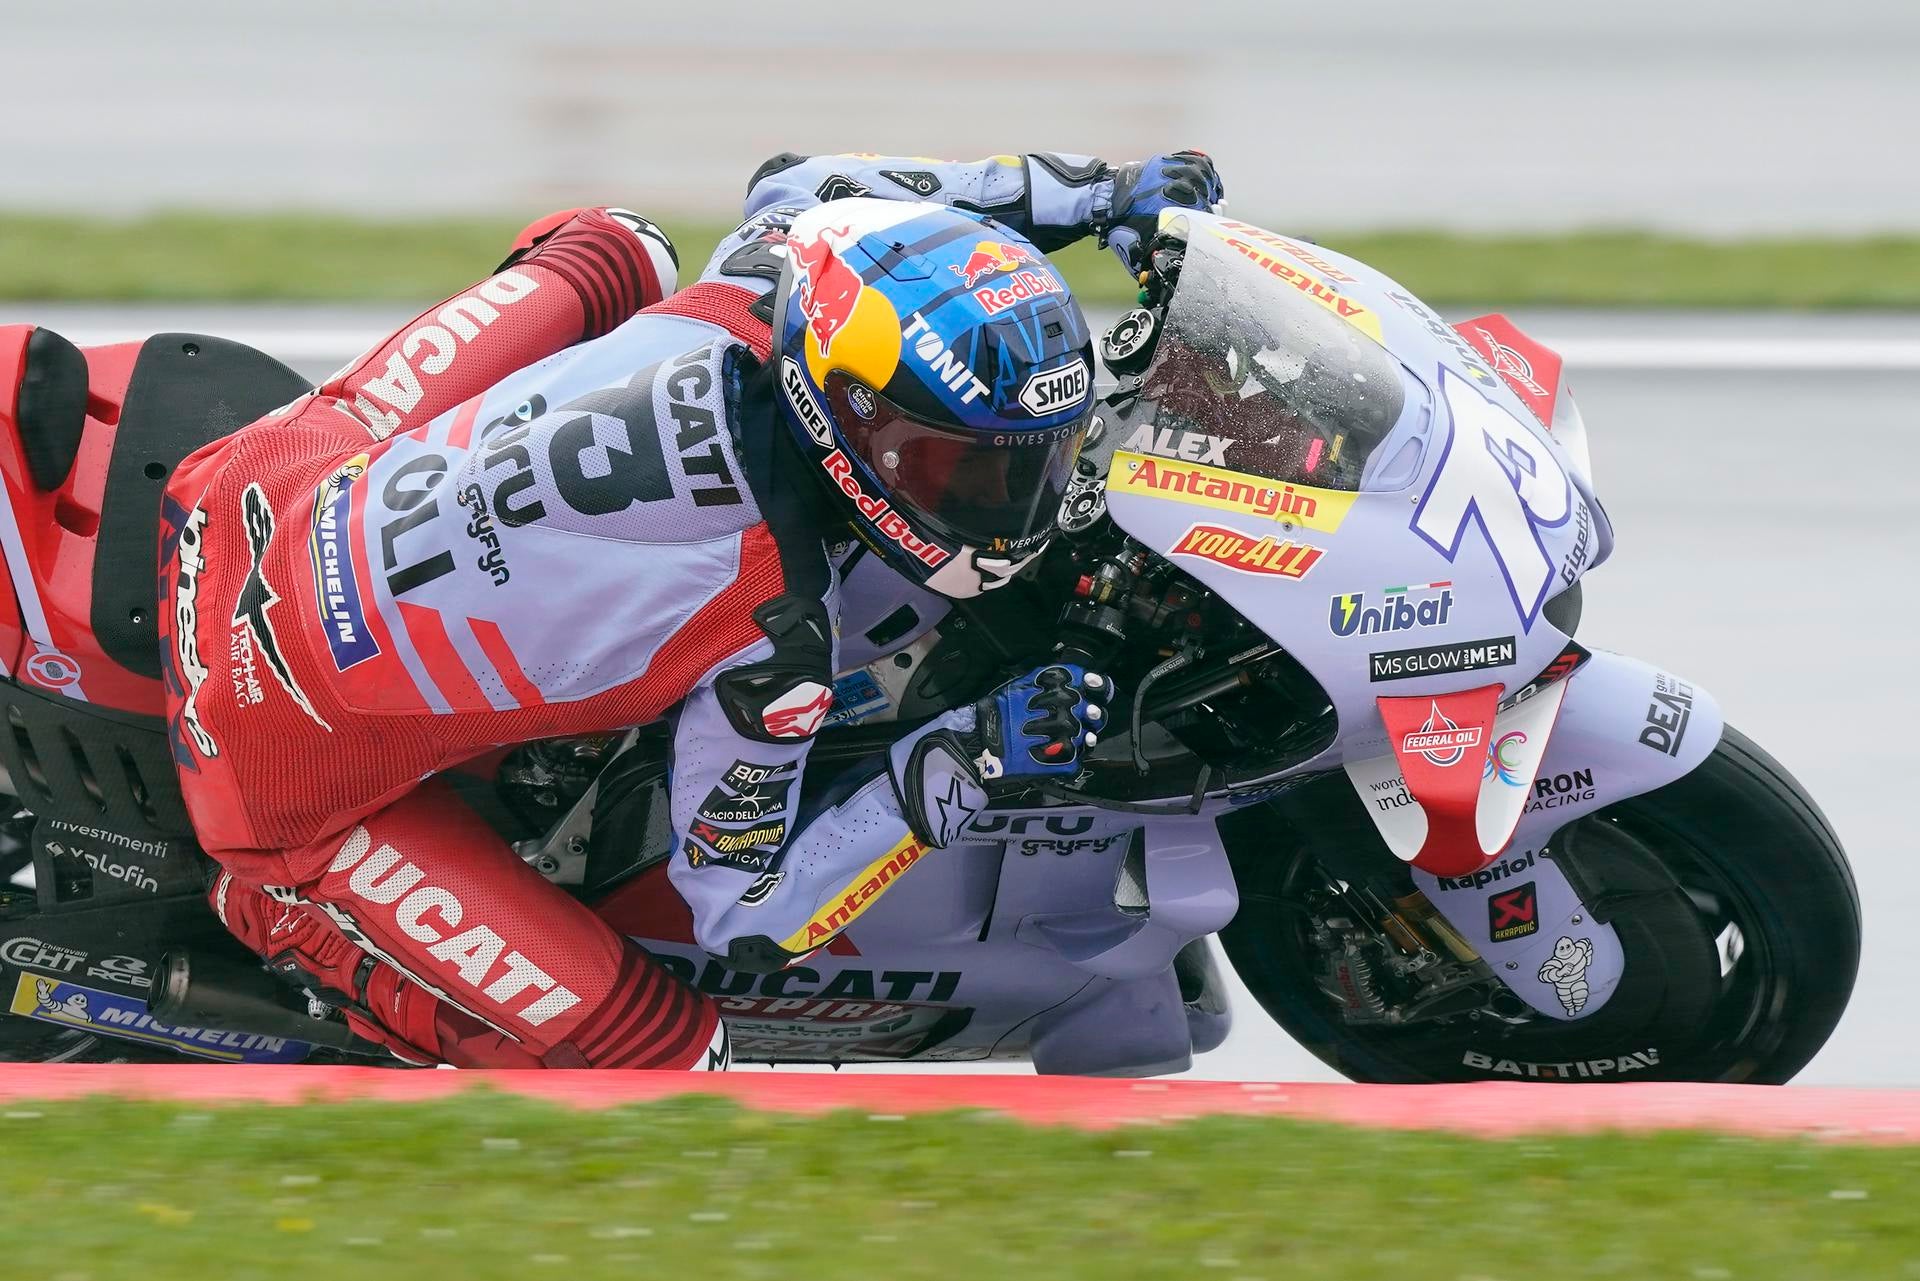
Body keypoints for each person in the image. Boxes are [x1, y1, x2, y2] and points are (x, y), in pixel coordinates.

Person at [158, 150, 1224, 1070]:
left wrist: (1084, 193)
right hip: (277, 766)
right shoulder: (777, 635)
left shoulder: (766, 269)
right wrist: (969, 756)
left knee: (618, 243)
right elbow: (748, 914)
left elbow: (815, 181)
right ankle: (282, 912)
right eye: (966, 470)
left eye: (1042, 461)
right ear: (849, 417)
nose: (1014, 505)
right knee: (671, 1058)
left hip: (255, 485)